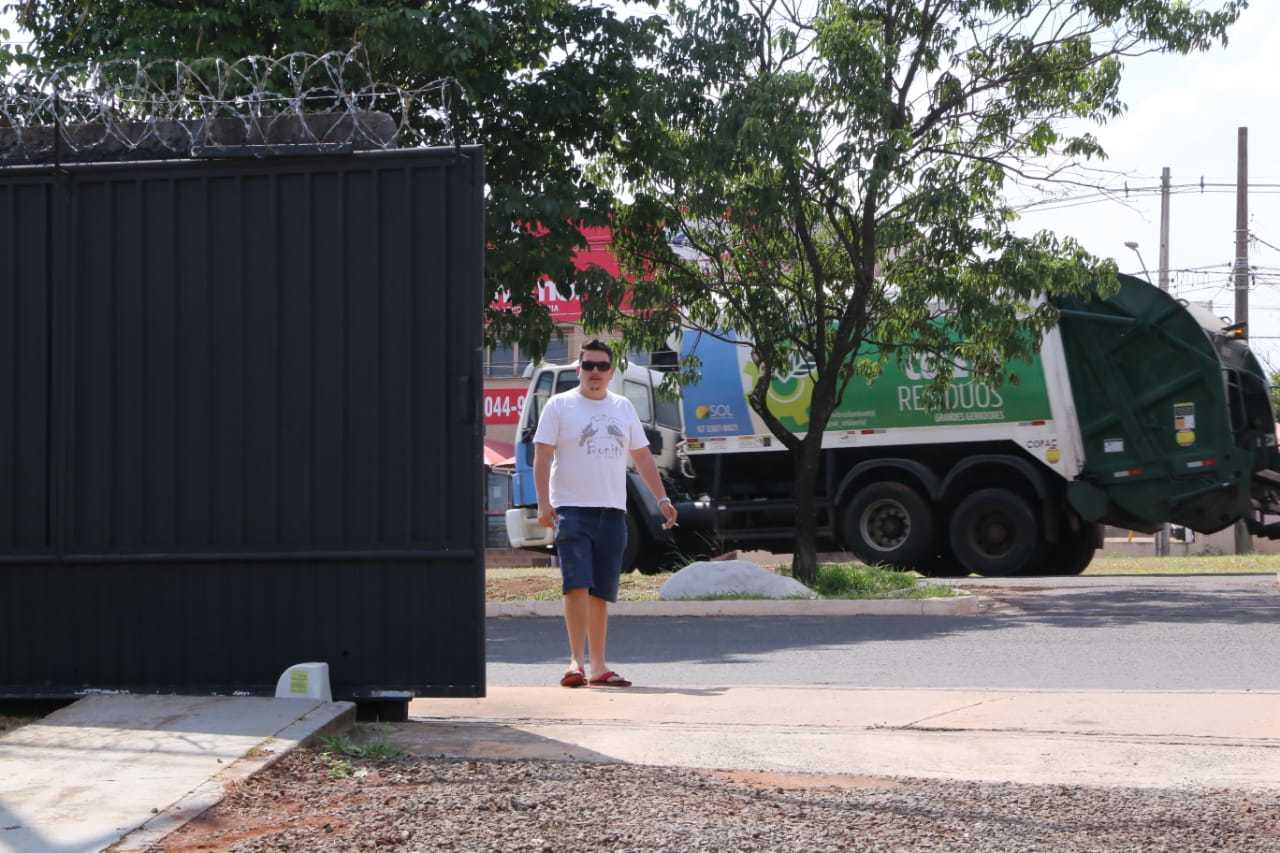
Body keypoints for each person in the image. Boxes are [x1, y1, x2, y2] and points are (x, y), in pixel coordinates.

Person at [533, 339, 678, 688]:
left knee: (601, 591)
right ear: (578, 369)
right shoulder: (559, 406)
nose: (594, 372)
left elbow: (642, 458)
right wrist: (543, 504)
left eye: (601, 366)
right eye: (588, 366)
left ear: (611, 372)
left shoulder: (623, 408)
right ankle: (574, 662)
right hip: (571, 510)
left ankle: (598, 666)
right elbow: (542, 455)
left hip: (613, 511)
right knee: (576, 584)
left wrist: (661, 499)